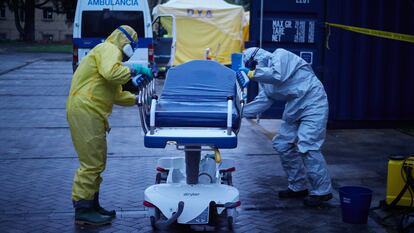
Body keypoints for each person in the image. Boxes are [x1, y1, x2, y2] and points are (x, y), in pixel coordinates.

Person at [66, 25, 153, 225]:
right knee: (91, 164)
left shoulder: (110, 56)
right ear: (126, 43)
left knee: (97, 161)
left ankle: (92, 204)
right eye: (133, 46)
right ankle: (83, 210)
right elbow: (112, 73)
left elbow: (117, 94)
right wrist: (135, 69)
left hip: (90, 111)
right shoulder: (109, 50)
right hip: (86, 110)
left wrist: (141, 99)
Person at [239, 47, 333, 207]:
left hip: (313, 103)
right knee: (282, 144)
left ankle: (322, 191)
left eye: (253, 65)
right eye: (250, 67)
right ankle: (298, 187)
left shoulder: (280, 55)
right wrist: (236, 112)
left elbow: (277, 74)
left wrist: (251, 73)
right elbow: (262, 102)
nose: (253, 69)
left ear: (259, 57)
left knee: (308, 145)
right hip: (295, 108)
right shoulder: (265, 82)